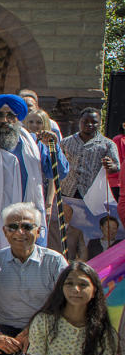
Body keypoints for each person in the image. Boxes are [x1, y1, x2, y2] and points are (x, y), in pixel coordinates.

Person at [0, 94, 60, 252]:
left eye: (11, 116)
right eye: (0, 115)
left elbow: (59, 172)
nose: (5, 120)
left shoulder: (36, 145)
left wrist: (55, 149)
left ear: (18, 118)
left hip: (29, 220)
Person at [0, 202, 68, 355]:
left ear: (39, 231)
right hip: (4, 330)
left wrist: (34, 331)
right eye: (12, 227)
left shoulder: (54, 262)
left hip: (45, 327)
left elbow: (65, 303)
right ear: (4, 231)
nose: (20, 233)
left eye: (27, 226)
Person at [26, 262, 117, 355]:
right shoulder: (44, 321)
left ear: (94, 292)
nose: (76, 289)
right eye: (69, 283)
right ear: (61, 288)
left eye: (83, 285)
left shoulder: (103, 331)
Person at [60, 108, 119, 258]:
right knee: (69, 231)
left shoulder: (107, 144)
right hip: (68, 192)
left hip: (91, 195)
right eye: (85, 122)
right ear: (80, 122)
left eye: (94, 122)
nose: (89, 125)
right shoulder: (66, 142)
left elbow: (116, 166)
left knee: (88, 231)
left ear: (99, 124)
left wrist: (110, 166)